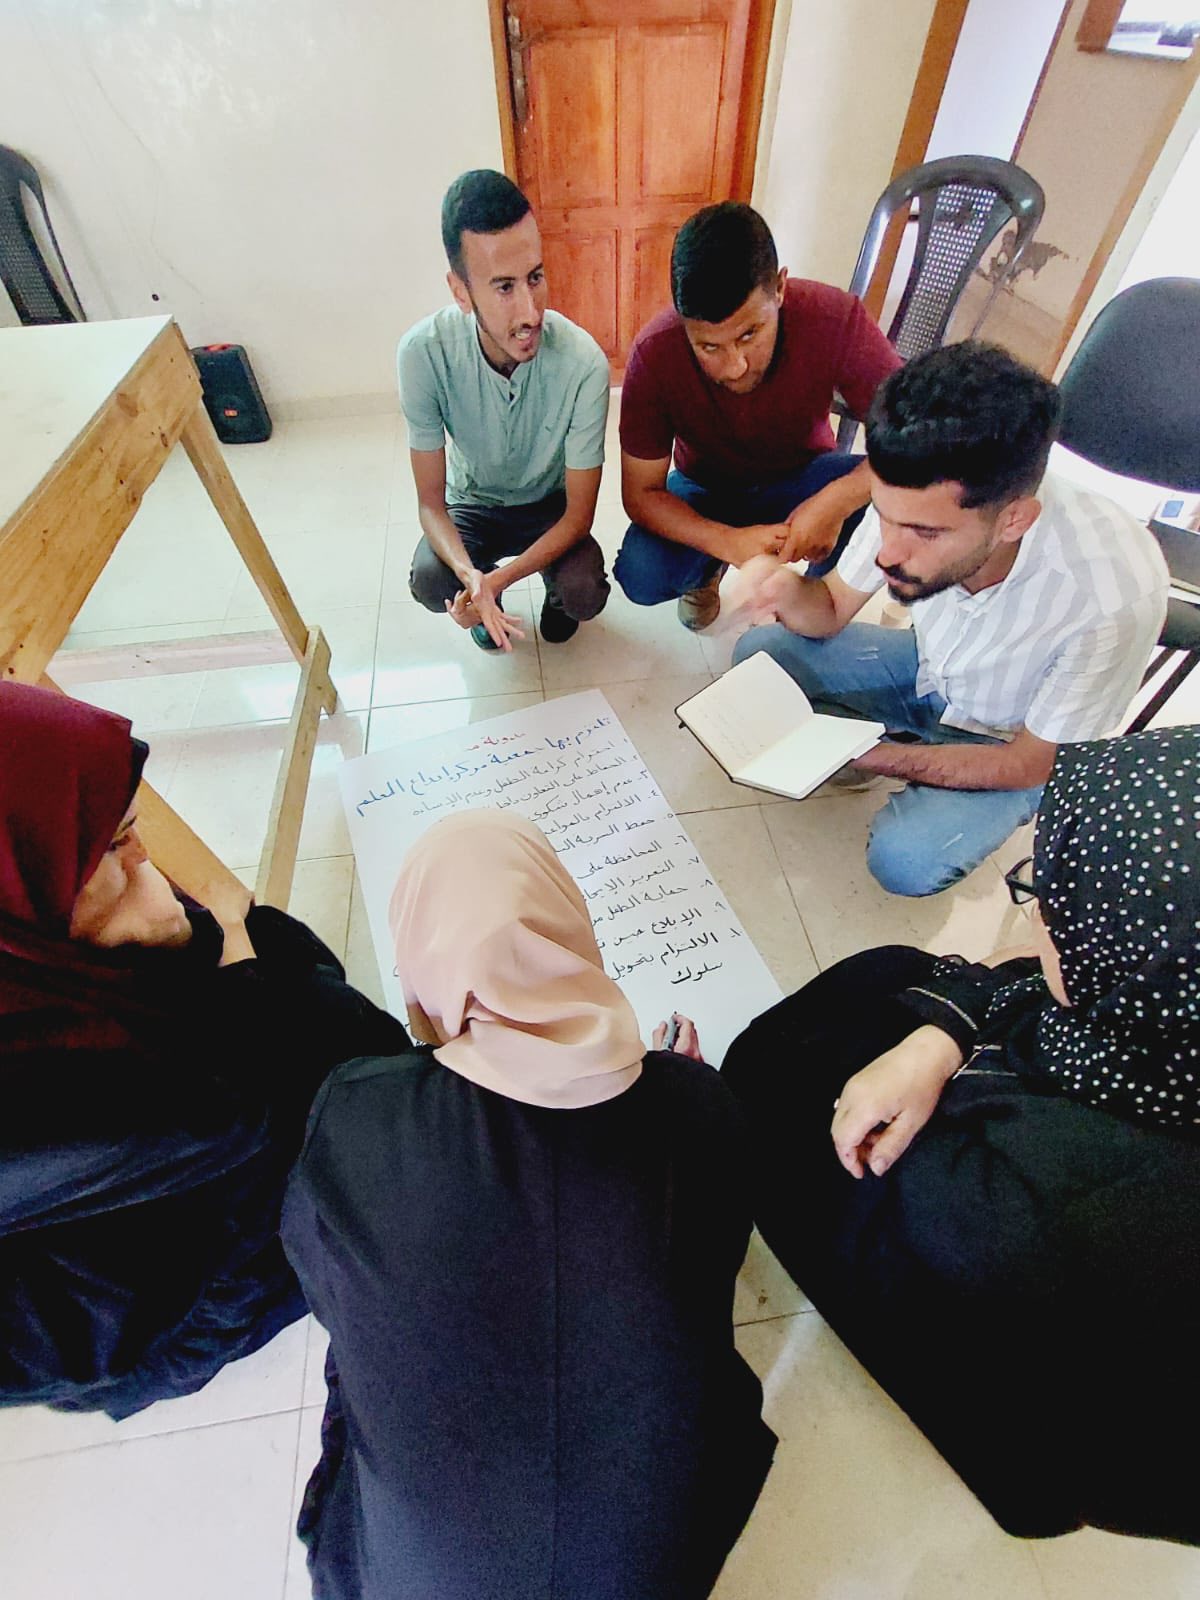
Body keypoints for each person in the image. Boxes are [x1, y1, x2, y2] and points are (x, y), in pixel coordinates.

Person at [282, 809, 775, 1600]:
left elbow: (320, 1281)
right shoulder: (701, 1109)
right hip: (661, 1573)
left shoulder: (357, 1113)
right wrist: (684, 1095)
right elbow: (711, 1267)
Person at [722, 727, 1200, 1541]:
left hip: (1041, 1353)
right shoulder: (1159, 1050)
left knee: (810, 1079)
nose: (1038, 908)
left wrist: (945, 1038)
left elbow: (919, 1180)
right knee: (890, 984)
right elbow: (1027, 980)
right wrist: (943, 1034)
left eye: (1065, 898)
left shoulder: (1044, 1199)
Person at [0, 682, 407, 1420]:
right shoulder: (52, 1129)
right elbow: (116, 1330)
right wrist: (238, 988)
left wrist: (224, 951)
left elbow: (283, 960)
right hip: (197, 1308)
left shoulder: (59, 956)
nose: (147, 858)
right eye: (113, 845)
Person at [732, 341, 1169, 897]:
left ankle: (898, 753)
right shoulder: (914, 498)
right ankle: (899, 737)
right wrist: (786, 589)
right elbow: (832, 609)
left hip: (1009, 738)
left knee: (904, 862)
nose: (889, 553)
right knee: (760, 655)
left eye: (925, 534)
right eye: (885, 516)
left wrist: (873, 756)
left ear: (1013, 521)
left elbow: (1031, 764)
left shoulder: (1114, 596)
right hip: (930, 668)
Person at [614, 201, 901, 630]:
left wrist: (835, 502)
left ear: (779, 289)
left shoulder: (834, 319)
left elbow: (917, 439)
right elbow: (641, 494)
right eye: (709, 347)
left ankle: (819, 597)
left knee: (884, 496)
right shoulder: (654, 354)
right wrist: (727, 543)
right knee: (641, 571)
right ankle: (705, 574)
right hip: (707, 487)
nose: (735, 366)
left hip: (805, 473)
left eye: (750, 334)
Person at [400, 169, 612, 652]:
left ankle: (551, 599)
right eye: (503, 287)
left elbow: (579, 516)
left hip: (550, 507)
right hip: (473, 504)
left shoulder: (584, 364)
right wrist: (471, 577)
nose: (530, 312)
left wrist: (500, 580)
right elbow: (431, 504)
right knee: (430, 578)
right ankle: (483, 600)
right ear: (461, 292)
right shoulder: (421, 354)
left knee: (584, 590)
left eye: (535, 277)